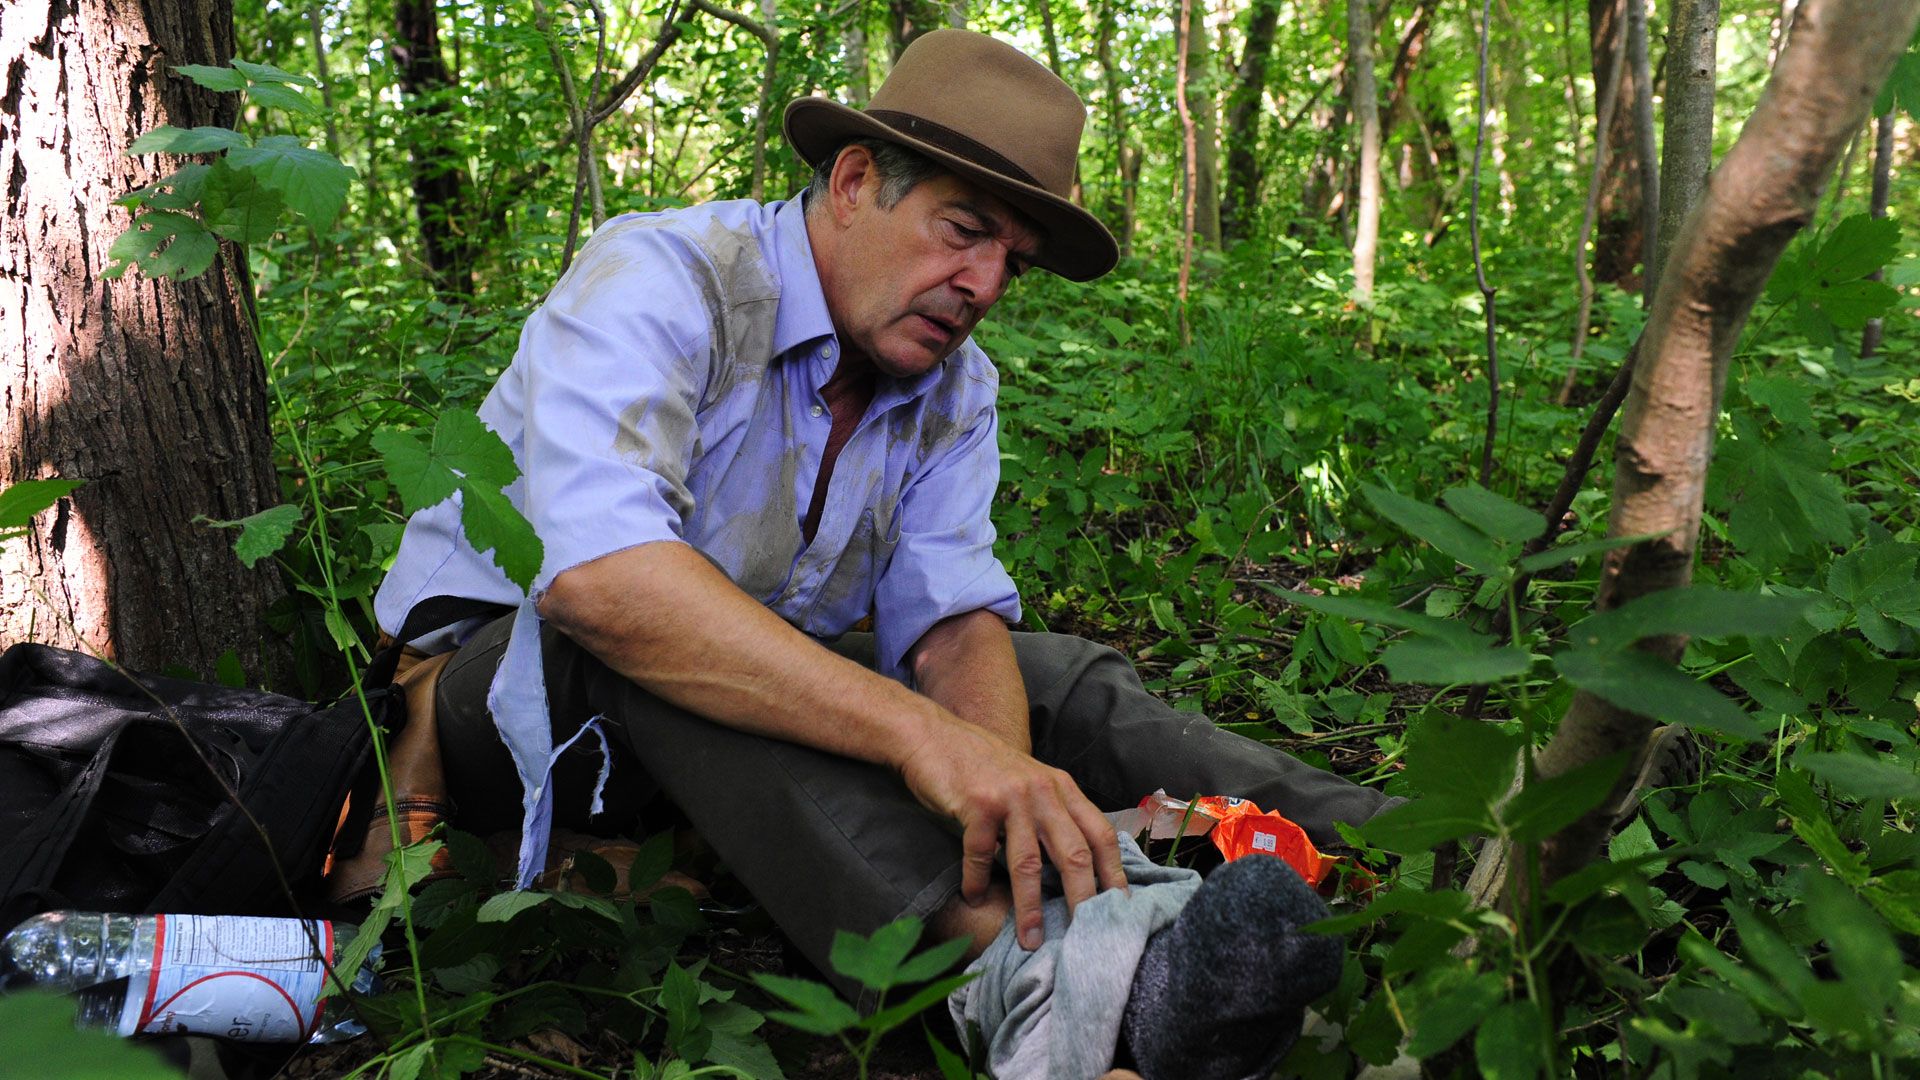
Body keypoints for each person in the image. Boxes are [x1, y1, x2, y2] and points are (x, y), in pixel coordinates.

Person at [372, 29, 1398, 1076]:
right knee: (681, 646)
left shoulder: (956, 390)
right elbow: (603, 583)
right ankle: (1038, 975)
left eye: (1014, 263)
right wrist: (924, 742)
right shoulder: (667, 278)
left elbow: (949, 616)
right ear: (857, 181)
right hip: (501, 707)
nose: (986, 283)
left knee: (1053, 678)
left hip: (695, 727)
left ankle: (1421, 861)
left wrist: (993, 773)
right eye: (965, 231)